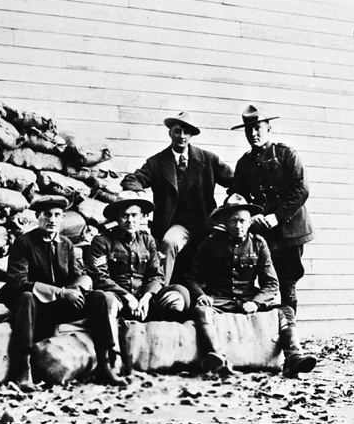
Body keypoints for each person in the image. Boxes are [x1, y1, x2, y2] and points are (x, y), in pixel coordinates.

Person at [0, 195, 127, 392]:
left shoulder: (66, 244)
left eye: (57, 215)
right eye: (47, 214)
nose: (52, 219)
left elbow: (78, 274)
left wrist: (77, 288)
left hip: (57, 306)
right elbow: (18, 281)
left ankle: (104, 364)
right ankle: (24, 370)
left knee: (99, 297)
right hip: (32, 307)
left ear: (63, 217)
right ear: (38, 217)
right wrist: (61, 292)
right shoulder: (24, 243)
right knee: (26, 297)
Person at [184, 194, 317, 378]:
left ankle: (293, 358)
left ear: (249, 222)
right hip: (219, 300)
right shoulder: (211, 243)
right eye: (233, 221)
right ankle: (218, 358)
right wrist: (200, 295)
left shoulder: (259, 244)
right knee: (200, 311)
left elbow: (271, 284)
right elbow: (191, 276)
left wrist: (256, 302)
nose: (238, 226)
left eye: (243, 221)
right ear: (225, 222)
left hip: (248, 299)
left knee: (285, 311)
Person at [121, 111, 233, 285]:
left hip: (205, 223)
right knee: (169, 242)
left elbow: (234, 182)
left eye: (186, 132)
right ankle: (160, 290)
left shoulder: (208, 159)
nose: (182, 136)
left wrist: (229, 206)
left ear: (191, 135)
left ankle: (219, 295)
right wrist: (141, 194)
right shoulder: (157, 162)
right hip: (176, 225)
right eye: (177, 131)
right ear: (170, 133)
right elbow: (132, 179)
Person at [229, 105, 314, 313]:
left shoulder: (286, 154)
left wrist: (277, 216)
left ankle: (289, 331)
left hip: (289, 229)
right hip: (262, 231)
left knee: (287, 281)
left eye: (257, 128)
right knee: (265, 281)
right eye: (249, 130)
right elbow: (237, 196)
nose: (253, 133)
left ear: (269, 128)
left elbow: (301, 189)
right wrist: (250, 217)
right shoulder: (244, 162)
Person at [85, 191, 191, 324]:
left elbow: (156, 275)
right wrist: (127, 297)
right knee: (106, 300)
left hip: (144, 301)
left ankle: (164, 333)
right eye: (125, 216)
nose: (130, 220)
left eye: (134, 215)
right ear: (117, 218)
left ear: (141, 217)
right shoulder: (102, 241)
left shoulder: (147, 240)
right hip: (118, 298)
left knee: (179, 293)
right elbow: (99, 277)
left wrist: (146, 298)